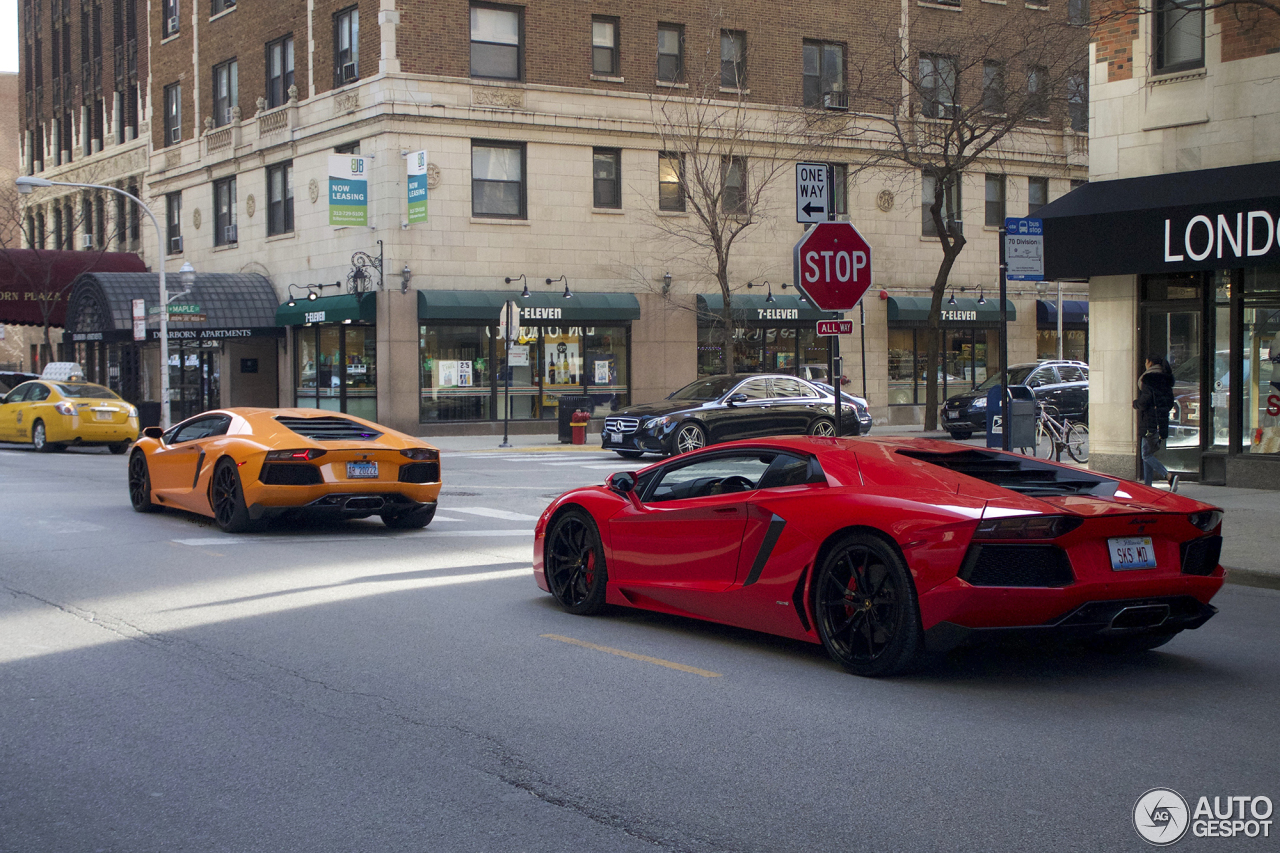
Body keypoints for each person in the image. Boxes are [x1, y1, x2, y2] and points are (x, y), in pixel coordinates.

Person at [1133, 355, 1177, 491]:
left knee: (1145, 455)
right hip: (1161, 421)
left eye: (1146, 361)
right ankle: (1148, 487)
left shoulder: (1148, 379)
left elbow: (1144, 401)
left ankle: (1168, 475)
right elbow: (1170, 402)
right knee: (1148, 454)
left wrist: (1136, 403)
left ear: (1150, 363)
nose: (1145, 364)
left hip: (1149, 422)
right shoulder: (1165, 379)